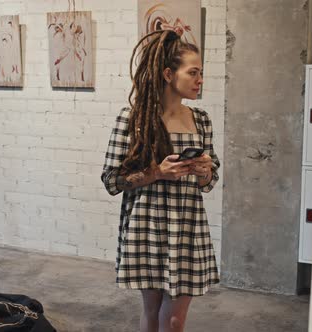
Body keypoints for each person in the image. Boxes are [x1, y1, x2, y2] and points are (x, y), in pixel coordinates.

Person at [101, 30, 221, 332]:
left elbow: (210, 181)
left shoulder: (201, 120)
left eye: (201, 73)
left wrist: (204, 169)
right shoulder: (134, 118)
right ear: (168, 73)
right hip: (148, 225)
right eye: (193, 72)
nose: (199, 80)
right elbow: (112, 180)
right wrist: (157, 173)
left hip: (187, 225)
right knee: (152, 314)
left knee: (174, 320)